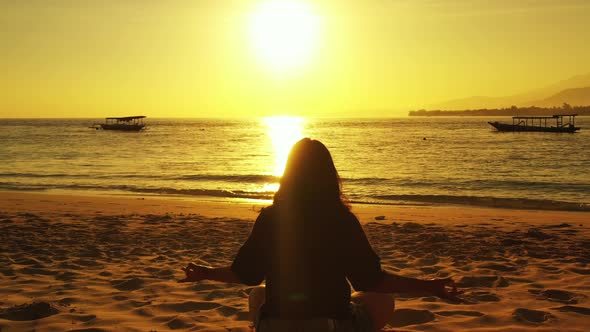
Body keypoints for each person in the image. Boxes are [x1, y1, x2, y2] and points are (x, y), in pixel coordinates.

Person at [179, 138, 461, 331]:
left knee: (257, 295)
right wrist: (429, 286)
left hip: (276, 326)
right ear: (329, 176)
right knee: (380, 301)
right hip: (329, 326)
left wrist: (205, 273)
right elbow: (371, 280)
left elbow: (247, 274)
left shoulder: (271, 217)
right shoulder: (341, 220)